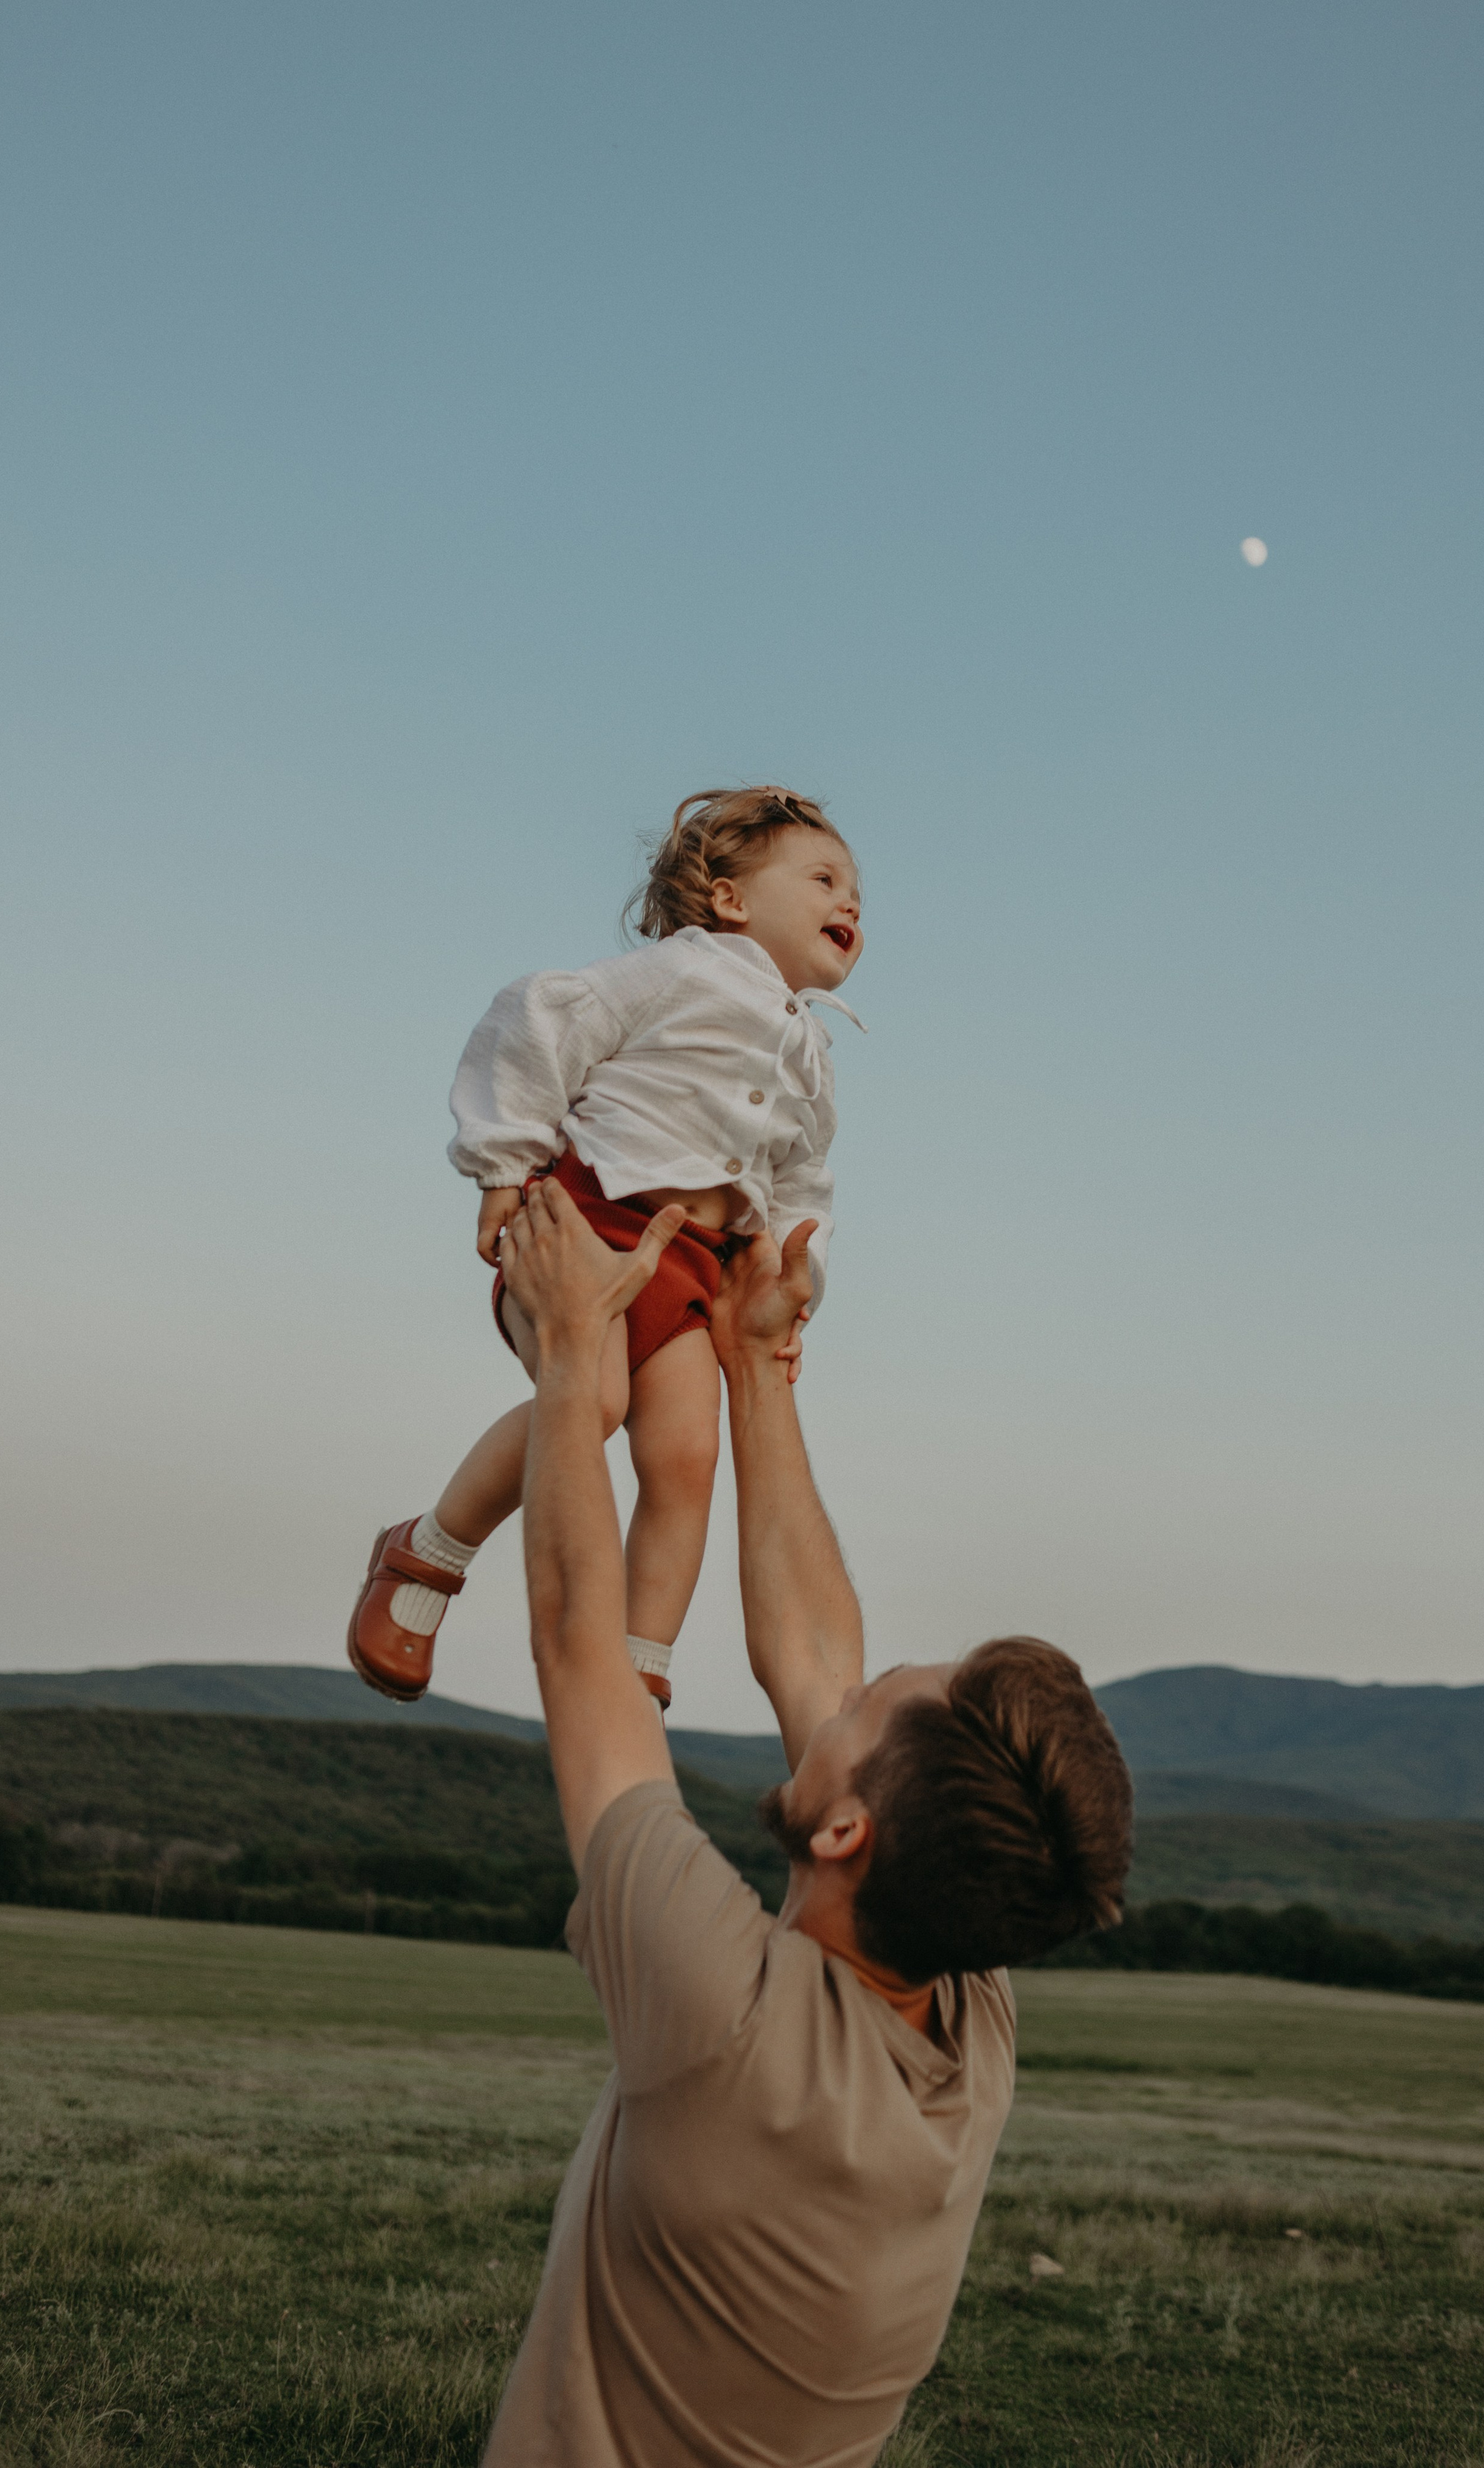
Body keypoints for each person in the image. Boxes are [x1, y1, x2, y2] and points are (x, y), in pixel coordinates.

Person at [482, 1174, 1134, 2468]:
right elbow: (811, 1654)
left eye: (872, 1706)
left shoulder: (724, 2022)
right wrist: (756, 1358)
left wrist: (567, 1352)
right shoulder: (967, 2025)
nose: (844, 1693)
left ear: (844, 1834)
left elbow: (578, 1645)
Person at [347, 786, 864, 1713]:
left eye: (857, 890)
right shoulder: (682, 972)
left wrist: (796, 1286)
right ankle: (427, 1551)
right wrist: (503, 1162)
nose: (850, 901)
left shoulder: (814, 1057)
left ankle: (637, 1666)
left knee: (687, 1455)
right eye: (824, 878)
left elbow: (802, 1185)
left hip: (694, 1266)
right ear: (730, 900)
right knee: (597, 1401)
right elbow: (544, 1018)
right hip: (586, 1224)